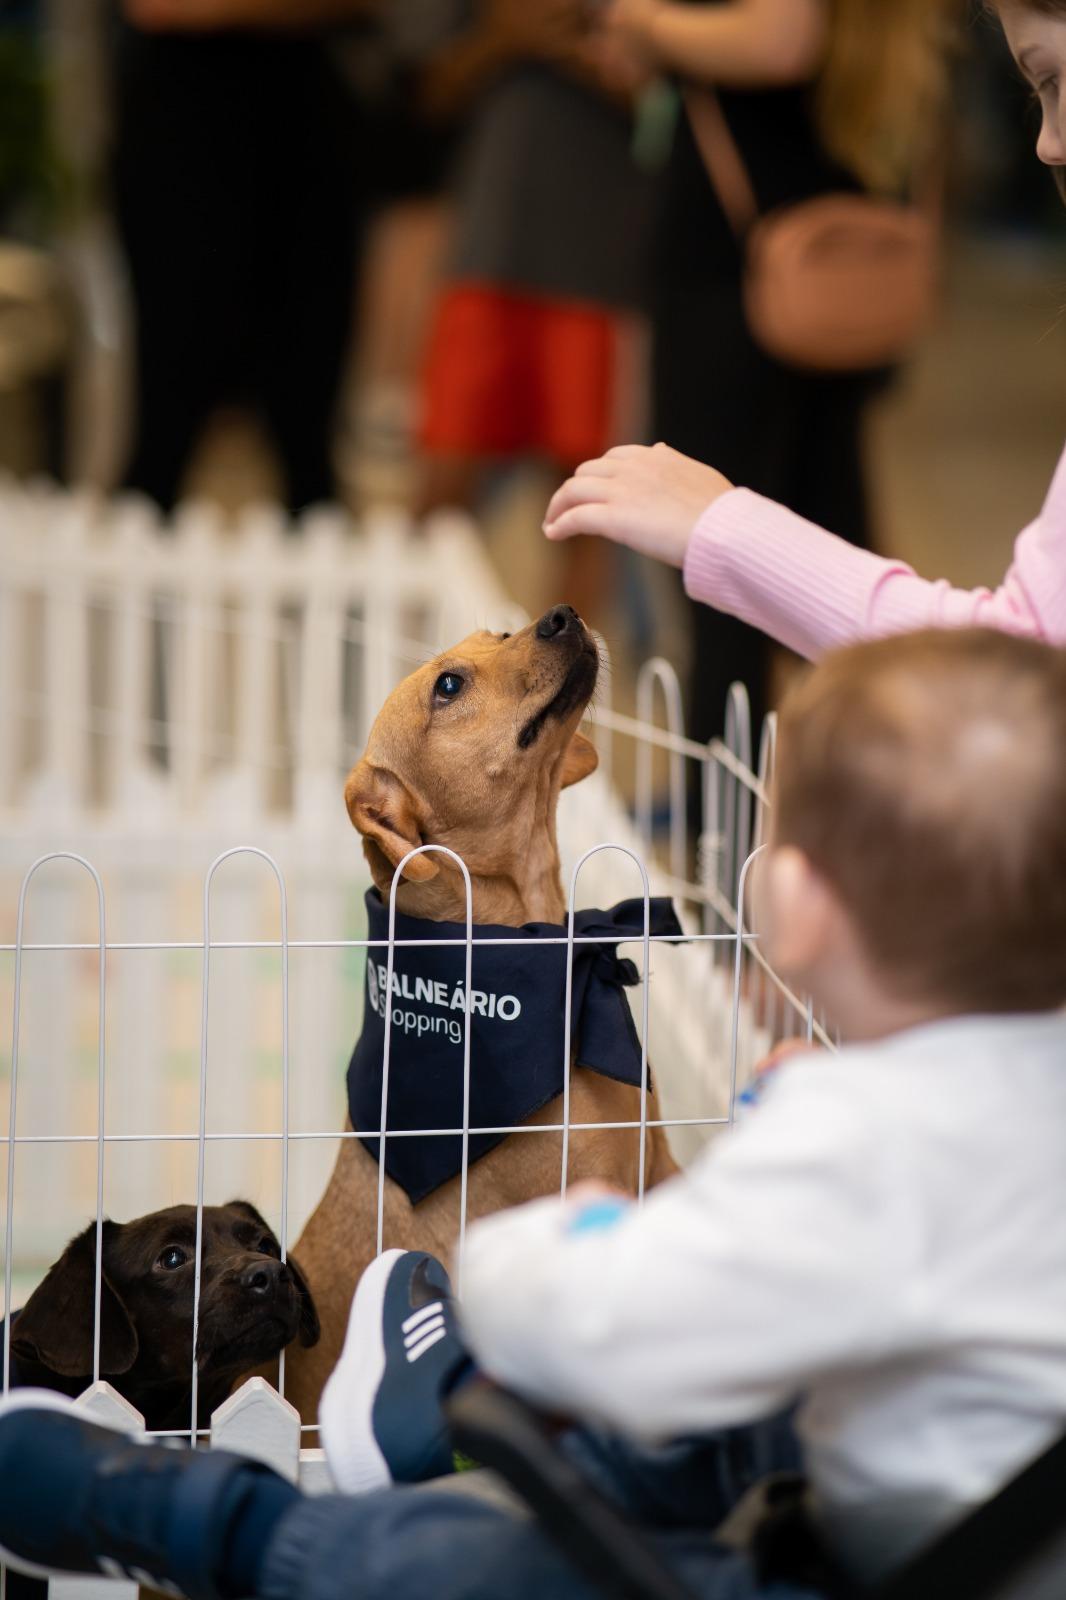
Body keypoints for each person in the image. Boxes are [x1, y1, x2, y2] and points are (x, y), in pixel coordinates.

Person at [3, 625, 1066, 1600]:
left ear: (793, 909)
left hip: (877, 1559)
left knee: (438, 1561)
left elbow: (605, 1311)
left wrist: (526, 1270)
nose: (531, 646)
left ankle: (167, 1511)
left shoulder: (851, 1142)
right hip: (968, 1514)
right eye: (457, 687)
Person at [544, 4, 1066, 664]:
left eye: (1051, 80)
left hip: (743, 256)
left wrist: (644, 26)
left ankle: (727, 763)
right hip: (812, 232)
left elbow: (782, 38)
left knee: (727, 614)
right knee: (828, 501)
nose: (1046, 142)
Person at [583, 0, 956, 738]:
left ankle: (719, 829)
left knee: (716, 556)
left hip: (738, 271)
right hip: (817, 249)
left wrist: (644, 26)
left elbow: (784, 37)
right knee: (828, 540)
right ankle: (874, 788)